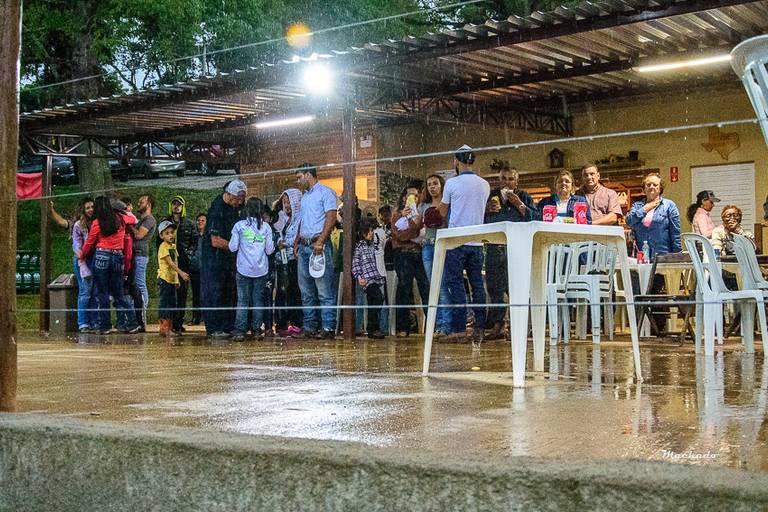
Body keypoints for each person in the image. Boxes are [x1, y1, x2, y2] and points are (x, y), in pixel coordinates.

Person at [438, 144, 490, 342]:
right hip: (477, 241)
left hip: (456, 241)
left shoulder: (451, 184)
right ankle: (479, 327)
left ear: (456, 161)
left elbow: (442, 212)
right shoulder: (484, 184)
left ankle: (459, 329)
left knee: (456, 284)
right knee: (477, 285)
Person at [484, 163, 536, 340]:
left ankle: (518, 326)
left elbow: (535, 218)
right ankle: (498, 325)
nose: (507, 182)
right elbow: (480, 219)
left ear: (517, 181)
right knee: (494, 287)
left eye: (511, 179)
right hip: (494, 246)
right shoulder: (491, 197)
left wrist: (519, 204)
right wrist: (486, 210)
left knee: (516, 286)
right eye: (503, 179)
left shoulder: (524, 196)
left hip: (517, 247)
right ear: (499, 180)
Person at [79, 196, 139, 334]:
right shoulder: (121, 219)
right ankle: (132, 324)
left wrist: (82, 256)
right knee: (119, 293)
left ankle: (105, 326)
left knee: (103, 293)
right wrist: (122, 209)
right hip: (118, 256)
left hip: (102, 255)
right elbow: (134, 219)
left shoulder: (97, 222)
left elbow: (89, 243)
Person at [293, 163, 338, 339]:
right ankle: (310, 326)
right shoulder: (305, 197)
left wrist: (320, 241)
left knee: (324, 289)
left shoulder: (326, 192)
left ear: (308, 175)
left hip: (318, 244)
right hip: (305, 244)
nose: (298, 181)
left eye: (299, 177)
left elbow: (331, 217)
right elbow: (302, 221)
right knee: (306, 290)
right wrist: (296, 241)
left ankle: (328, 327)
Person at [201, 179, 247, 338]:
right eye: (237, 199)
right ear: (229, 194)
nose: (239, 202)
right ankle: (214, 328)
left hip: (227, 259)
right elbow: (215, 240)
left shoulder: (234, 208)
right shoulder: (217, 209)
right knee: (214, 291)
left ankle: (227, 325)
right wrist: (236, 247)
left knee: (228, 291)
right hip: (214, 259)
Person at [229, 198, 275, 341]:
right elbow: (269, 250)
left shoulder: (239, 226)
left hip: (243, 269)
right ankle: (256, 330)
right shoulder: (266, 227)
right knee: (257, 300)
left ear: (246, 210)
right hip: (261, 270)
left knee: (242, 300)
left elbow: (232, 247)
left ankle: (239, 331)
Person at [391, 183, 430, 337]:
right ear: (404, 198)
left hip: (419, 253)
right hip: (403, 253)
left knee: (425, 287)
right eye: (410, 195)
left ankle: (433, 325)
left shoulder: (422, 212)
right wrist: (415, 228)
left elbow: (420, 233)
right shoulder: (397, 214)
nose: (413, 198)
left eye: (416, 195)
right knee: (404, 289)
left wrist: (412, 228)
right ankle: (403, 327)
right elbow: (400, 235)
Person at [415, 174, 450, 335]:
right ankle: (439, 324)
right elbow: (416, 224)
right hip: (428, 246)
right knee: (433, 285)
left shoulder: (447, 203)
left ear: (441, 185)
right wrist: (408, 214)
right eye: (429, 184)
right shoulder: (424, 205)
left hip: (443, 245)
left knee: (443, 285)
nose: (432, 187)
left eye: (435, 183)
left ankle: (446, 325)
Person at [626, 172, 681, 259]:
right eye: (648, 185)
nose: (651, 186)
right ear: (644, 189)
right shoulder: (637, 206)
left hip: (663, 256)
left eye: (655, 185)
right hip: (641, 256)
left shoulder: (669, 206)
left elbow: (675, 234)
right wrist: (645, 209)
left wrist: (678, 256)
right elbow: (629, 221)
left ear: (660, 188)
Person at [161, 196, 197, 332]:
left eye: (179, 204)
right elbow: (159, 242)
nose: (176, 207)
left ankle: (178, 323)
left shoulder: (189, 223)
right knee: (169, 294)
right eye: (174, 204)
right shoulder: (165, 222)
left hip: (184, 263)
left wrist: (189, 254)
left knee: (182, 293)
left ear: (183, 206)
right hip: (168, 263)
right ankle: (168, 323)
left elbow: (194, 241)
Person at [274, 189, 303, 336]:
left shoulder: (301, 219)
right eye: (284, 203)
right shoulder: (285, 219)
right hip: (283, 260)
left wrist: (285, 243)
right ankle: (282, 323)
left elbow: (298, 237)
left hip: (294, 260)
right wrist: (280, 241)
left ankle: (296, 323)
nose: (286, 205)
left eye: (289, 202)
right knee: (283, 292)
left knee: (294, 292)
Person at [352, 217, 387, 339]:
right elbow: (356, 263)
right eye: (369, 231)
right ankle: (373, 327)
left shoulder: (374, 245)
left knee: (375, 301)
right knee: (377, 298)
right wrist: (359, 276)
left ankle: (373, 328)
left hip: (376, 276)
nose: (371, 233)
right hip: (367, 278)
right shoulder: (359, 247)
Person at [157, 220, 190, 337]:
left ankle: (170, 328)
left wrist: (176, 280)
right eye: (167, 233)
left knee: (172, 303)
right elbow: (170, 263)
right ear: (161, 236)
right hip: (165, 279)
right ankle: (164, 328)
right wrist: (181, 273)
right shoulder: (163, 247)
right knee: (165, 303)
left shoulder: (173, 246)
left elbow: (175, 261)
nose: (170, 235)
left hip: (171, 280)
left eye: (172, 232)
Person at [128, 194, 156, 327]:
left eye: (142, 201)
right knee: (135, 284)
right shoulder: (141, 220)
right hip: (135, 254)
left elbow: (139, 235)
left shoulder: (149, 220)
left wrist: (129, 225)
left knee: (140, 284)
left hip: (140, 255)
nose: (139, 203)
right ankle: (136, 315)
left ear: (149, 204)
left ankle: (142, 315)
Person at [711, 205, 754, 290]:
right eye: (728, 216)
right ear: (723, 219)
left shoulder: (746, 234)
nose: (732, 218)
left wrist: (739, 231)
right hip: (726, 269)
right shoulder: (718, 232)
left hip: (745, 270)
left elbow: (755, 250)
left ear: (740, 219)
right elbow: (716, 252)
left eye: (735, 215)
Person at [71, 197, 96, 333]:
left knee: (94, 291)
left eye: (92, 207)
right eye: (87, 208)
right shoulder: (78, 225)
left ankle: (93, 321)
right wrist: (81, 260)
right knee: (85, 291)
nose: (90, 209)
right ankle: (83, 322)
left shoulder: (98, 223)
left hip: (95, 258)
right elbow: (76, 245)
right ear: (83, 210)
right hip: (82, 259)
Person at [375, 205, 393, 334]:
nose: (383, 218)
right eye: (382, 216)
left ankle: (386, 326)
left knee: (388, 295)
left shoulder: (393, 227)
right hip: (381, 265)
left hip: (390, 265)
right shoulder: (380, 229)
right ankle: (383, 326)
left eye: (386, 215)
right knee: (382, 295)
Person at [188, 213, 206, 325]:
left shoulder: (209, 237)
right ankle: (196, 317)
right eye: (198, 220)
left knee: (206, 293)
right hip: (195, 268)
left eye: (203, 220)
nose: (200, 222)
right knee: (196, 294)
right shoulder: (193, 236)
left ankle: (205, 317)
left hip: (206, 269)